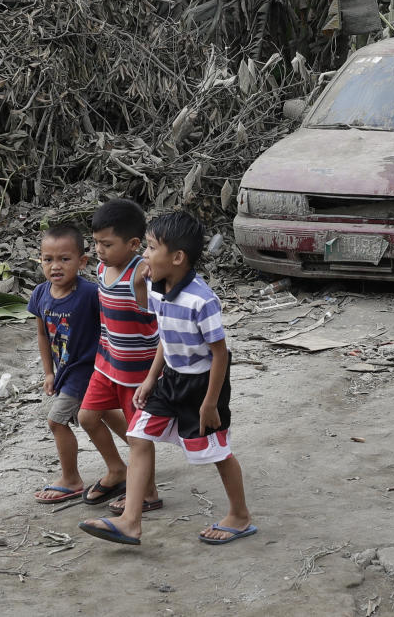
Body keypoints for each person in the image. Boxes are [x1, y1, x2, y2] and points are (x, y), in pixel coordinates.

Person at [79, 211, 253, 545]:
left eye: (151, 247)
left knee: (217, 452)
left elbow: (220, 354)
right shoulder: (159, 288)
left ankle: (240, 516)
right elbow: (165, 337)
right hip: (170, 378)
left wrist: (210, 403)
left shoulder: (202, 301)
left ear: (177, 257)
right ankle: (131, 520)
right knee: (139, 436)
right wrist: (150, 379)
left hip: (201, 387)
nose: (144, 255)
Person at [78, 199, 161, 512]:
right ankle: (118, 469)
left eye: (107, 244)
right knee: (87, 416)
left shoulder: (139, 274)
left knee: (138, 434)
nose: (99, 250)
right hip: (108, 362)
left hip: (137, 372)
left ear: (134, 244)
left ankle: (149, 492)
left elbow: (151, 294)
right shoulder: (101, 268)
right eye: (96, 242)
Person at [28, 225, 100, 503]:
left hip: (86, 370)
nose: (55, 266)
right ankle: (140, 452)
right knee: (101, 415)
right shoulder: (40, 294)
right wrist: (49, 372)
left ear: (82, 262)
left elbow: (111, 326)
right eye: (48, 259)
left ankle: (71, 479)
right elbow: (42, 334)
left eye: (64, 259)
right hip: (64, 371)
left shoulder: (89, 294)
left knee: (56, 421)